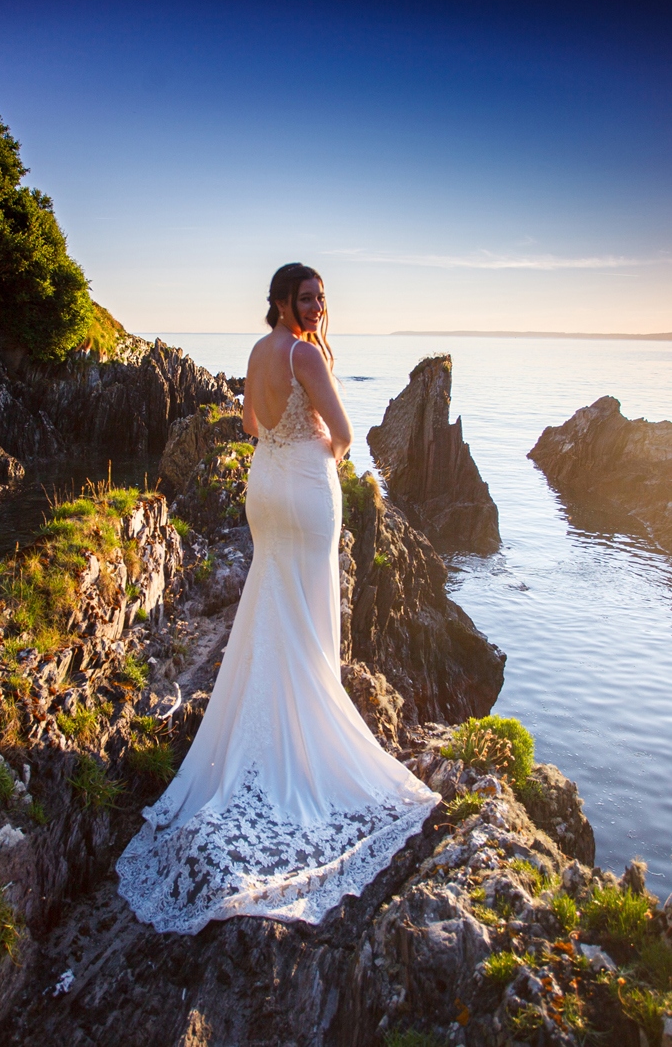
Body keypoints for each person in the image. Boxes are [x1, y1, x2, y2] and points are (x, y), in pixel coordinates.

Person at [116, 263, 440, 935]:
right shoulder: (302, 353)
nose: (317, 305)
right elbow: (346, 434)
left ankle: (262, 731)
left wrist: (286, 443)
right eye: (306, 297)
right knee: (306, 605)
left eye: (321, 296)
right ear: (283, 302)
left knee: (271, 603)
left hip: (265, 485)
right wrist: (325, 447)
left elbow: (248, 424)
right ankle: (305, 737)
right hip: (304, 488)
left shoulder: (259, 351)